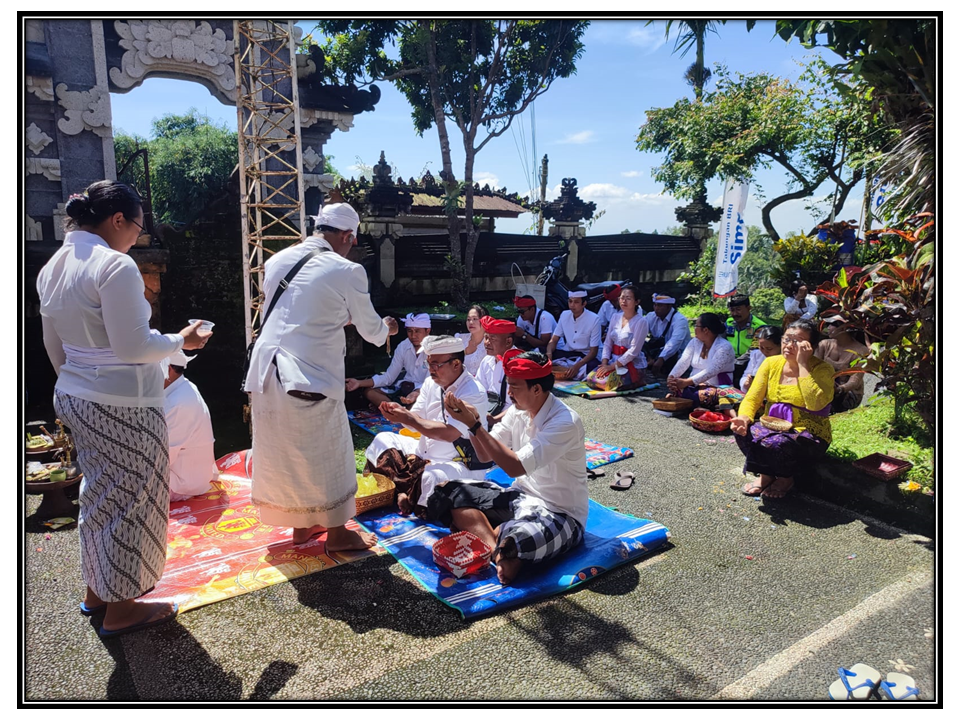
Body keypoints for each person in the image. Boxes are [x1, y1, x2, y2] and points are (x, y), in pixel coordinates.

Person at [37, 180, 211, 636]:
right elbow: (134, 346)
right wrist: (181, 340)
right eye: (136, 226)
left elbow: (54, 345)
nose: (137, 236)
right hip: (123, 403)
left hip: (75, 394)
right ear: (117, 220)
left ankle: (98, 591)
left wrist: (78, 380)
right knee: (134, 499)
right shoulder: (115, 265)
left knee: (99, 493)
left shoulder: (53, 266)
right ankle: (123, 608)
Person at [244, 202, 398, 547]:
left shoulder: (277, 260)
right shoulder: (347, 270)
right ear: (347, 236)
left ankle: (302, 527)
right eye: (353, 240)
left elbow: (300, 312)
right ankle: (337, 533)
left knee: (287, 455)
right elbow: (371, 329)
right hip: (306, 375)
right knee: (328, 453)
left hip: (265, 374)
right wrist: (386, 328)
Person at [432, 349, 589, 585]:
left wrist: (475, 426)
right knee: (447, 492)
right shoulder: (517, 411)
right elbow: (485, 455)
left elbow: (515, 467)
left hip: (560, 512)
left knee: (521, 540)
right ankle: (498, 551)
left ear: (536, 389)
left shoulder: (564, 421)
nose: (509, 393)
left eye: (514, 387)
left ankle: (502, 541)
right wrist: (474, 425)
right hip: (520, 497)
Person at [364, 335, 489, 515]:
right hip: (422, 453)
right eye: (428, 364)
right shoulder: (431, 383)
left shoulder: (473, 392)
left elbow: (449, 433)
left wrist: (409, 419)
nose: (430, 370)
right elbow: (416, 419)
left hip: (457, 463)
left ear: (456, 364)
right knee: (382, 440)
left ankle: (404, 492)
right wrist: (400, 414)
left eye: (436, 365)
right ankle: (407, 493)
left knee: (432, 478)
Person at [733, 319, 834, 499]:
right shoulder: (771, 363)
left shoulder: (823, 369)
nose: (789, 345)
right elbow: (753, 398)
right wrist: (744, 417)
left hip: (807, 431)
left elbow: (815, 403)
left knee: (777, 443)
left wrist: (802, 364)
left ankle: (786, 478)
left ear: (810, 347)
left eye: (797, 341)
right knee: (743, 432)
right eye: (787, 339)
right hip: (773, 425)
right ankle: (766, 475)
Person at [161, 349, 218, 501]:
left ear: (167, 369)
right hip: (189, 476)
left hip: (181, 484)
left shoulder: (178, 403)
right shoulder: (184, 387)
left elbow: (159, 458)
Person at [346, 313, 430, 406]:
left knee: (422, 401)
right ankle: (399, 410)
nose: (413, 335)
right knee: (369, 392)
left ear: (427, 331)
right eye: (410, 331)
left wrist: (416, 393)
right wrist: (359, 383)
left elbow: (432, 383)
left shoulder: (434, 349)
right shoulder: (403, 346)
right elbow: (389, 377)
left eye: (417, 331)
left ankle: (397, 410)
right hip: (403, 389)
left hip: (423, 392)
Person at [667, 312, 736, 409]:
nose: (694, 328)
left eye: (696, 326)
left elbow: (711, 370)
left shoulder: (724, 347)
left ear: (705, 330)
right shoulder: (694, 342)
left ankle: (694, 403)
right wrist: (672, 377)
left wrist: (687, 382)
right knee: (680, 388)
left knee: (704, 396)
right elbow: (683, 361)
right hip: (694, 385)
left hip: (717, 386)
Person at [592, 285, 649, 391]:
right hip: (613, 360)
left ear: (637, 302)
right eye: (622, 298)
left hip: (630, 364)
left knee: (606, 383)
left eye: (628, 298)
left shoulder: (641, 322)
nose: (624, 301)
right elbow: (608, 343)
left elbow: (634, 351)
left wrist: (611, 367)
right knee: (592, 379)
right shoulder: (615, 317)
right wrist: (604, 363)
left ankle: (637, 380)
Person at [815, 316, 870, 413]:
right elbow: (813, 368)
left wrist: (840, 389)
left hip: (848, 393)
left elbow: (855, 380)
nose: (828, 328)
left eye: (832, 325)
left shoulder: (861, 351)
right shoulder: (824, 345)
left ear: (844, 328)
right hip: (824, 388)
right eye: (828, 325)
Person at [546, 291, 602, 380]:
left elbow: (593, 352)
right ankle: (569, 370)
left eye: (576, 302)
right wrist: (549, 354)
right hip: (569, 353)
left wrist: (577, 366)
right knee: (540, 352)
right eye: (570, 301)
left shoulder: (594, 319)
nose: (572, 305)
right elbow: (554, 339)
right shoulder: (564, 315)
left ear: (584, 303)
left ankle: (571, 371)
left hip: (585, 356)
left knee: (593, 366)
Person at [475, 316, 516, 426]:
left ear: (508, 342)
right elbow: (478, 391)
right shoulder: (487, 360)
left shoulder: (518, 364)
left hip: (512, 421)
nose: (487, 343)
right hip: (488, 412)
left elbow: (521, 405)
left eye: (492, 339)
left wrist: (494, 420)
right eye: (486, 338)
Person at [642, 293, 691, 377]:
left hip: (675, 355)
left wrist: (661, 359)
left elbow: (674, 343)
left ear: (669, 306)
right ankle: (650, 361)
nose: (656, 308)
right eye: (655, 305)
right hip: (657, 350)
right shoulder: (651, 316)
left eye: (660, 305)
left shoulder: (680, 320)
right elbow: (639, 331)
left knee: (672, 353)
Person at [725, 294, 767, 387]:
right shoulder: (728, 323)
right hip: (728, 362)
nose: (735, 313)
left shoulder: (759, 326)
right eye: (732, 310)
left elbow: (754, 349)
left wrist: (736, 362)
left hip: (749, 364)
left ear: (748, 308)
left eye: (738, 309)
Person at [740, 325, 783, 392]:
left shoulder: (786, 359)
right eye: (761, 347)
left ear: (780, 346)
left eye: (769, 349)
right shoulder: (756, 355)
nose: (765, 352)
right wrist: (746, 383)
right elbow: (746, 375)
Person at [455, 304, 489, 376]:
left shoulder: (490, 343)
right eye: (468, 319)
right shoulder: (460, 339)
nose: (471, 322)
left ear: (485, 321)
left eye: (475, 319)